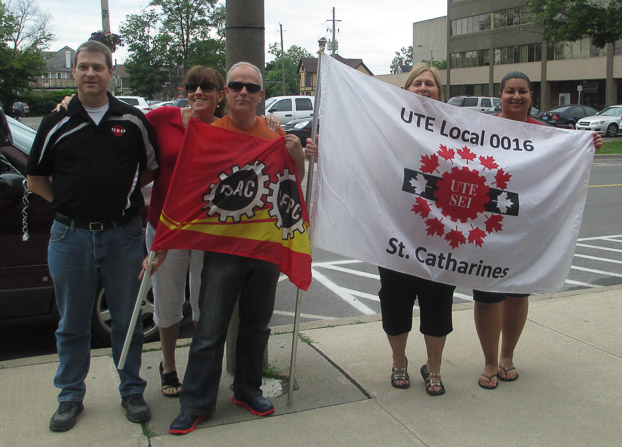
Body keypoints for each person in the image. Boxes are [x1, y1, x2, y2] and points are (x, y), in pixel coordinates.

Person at [26, 40, 159, 432]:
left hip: (123, 235)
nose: (90, 73)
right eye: (83, 66)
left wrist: (121, 197)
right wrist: (69, 204)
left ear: (110, 73)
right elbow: (35, 179)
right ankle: (70, 396)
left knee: (127, 320)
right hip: (71, 237)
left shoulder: (132, 121)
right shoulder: (56, 122)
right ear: (74, 72)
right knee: (72, 323)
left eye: (98, 67)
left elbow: (151, 168)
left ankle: (132, 390)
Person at [166, 61, 305, 435]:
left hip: (265, 248)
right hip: (224, 249)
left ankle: (247, 390)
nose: (244, 92)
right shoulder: (209, 134)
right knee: (209, 329)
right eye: (236, 86)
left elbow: (293, 182)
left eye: (251, 87)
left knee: (256, 326)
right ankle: (196, 403)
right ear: (225, 93)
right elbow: (189, 186)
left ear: (261, 96)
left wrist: (297, 154)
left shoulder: (275, 134)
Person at [305, 64, 455, 396]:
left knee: (438, 302)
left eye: (430, 83)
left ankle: (434, 368)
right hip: (395, 233)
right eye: (417, 83)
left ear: (440, 93)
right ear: (406, 90)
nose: (424, 88)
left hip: (439, 238)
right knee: (395, 300)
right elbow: (359, 158)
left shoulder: (457, 131)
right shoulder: (389, 128)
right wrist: (325, 153)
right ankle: (399, 362)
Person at [474, 71, 603, 390]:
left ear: (532, 96)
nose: (516, 96)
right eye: (510, 91)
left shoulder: (545, 135)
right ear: (500, 96)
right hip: (488, 225)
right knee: (487, 295)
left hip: (525, 228)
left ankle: (507, 356)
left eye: (522, 91)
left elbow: (565, 163)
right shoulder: (481, 128)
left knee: (518, 292)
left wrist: (587, 146)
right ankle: (489, 361)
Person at [144, 66, 225, 398]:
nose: (198, 92)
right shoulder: (163, 119)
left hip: (206, 229)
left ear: (220, 94)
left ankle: (199, 367)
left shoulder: (226, 129)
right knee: (168, 300)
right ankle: (168, 365)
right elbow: (124, 125)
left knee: (205, 302)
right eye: (193, 86)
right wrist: (68, 104)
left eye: (207, 86)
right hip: (165, 227)